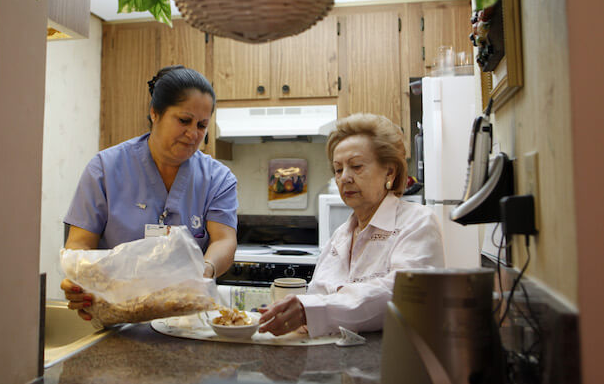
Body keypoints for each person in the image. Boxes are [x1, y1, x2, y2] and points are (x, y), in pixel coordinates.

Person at [61, 65, 238, 321]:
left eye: (202, 125)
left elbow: (224, 240)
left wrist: (206, 269)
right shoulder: (105, 169)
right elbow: (79, 244)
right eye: (184, 120)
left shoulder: (218, 179)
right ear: (155, 113)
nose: (193, 134)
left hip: (186, 322)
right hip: (117, 320)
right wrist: (78, 281)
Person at [259, 113, 445, 338]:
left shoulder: (417, 222)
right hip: (333, 365)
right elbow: (317, 296)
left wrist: (312, 310)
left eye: (356, 166)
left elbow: (401, 293)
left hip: (390, 364)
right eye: (338, 170)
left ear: (390, 171)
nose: (344, 178)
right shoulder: (340, 236)